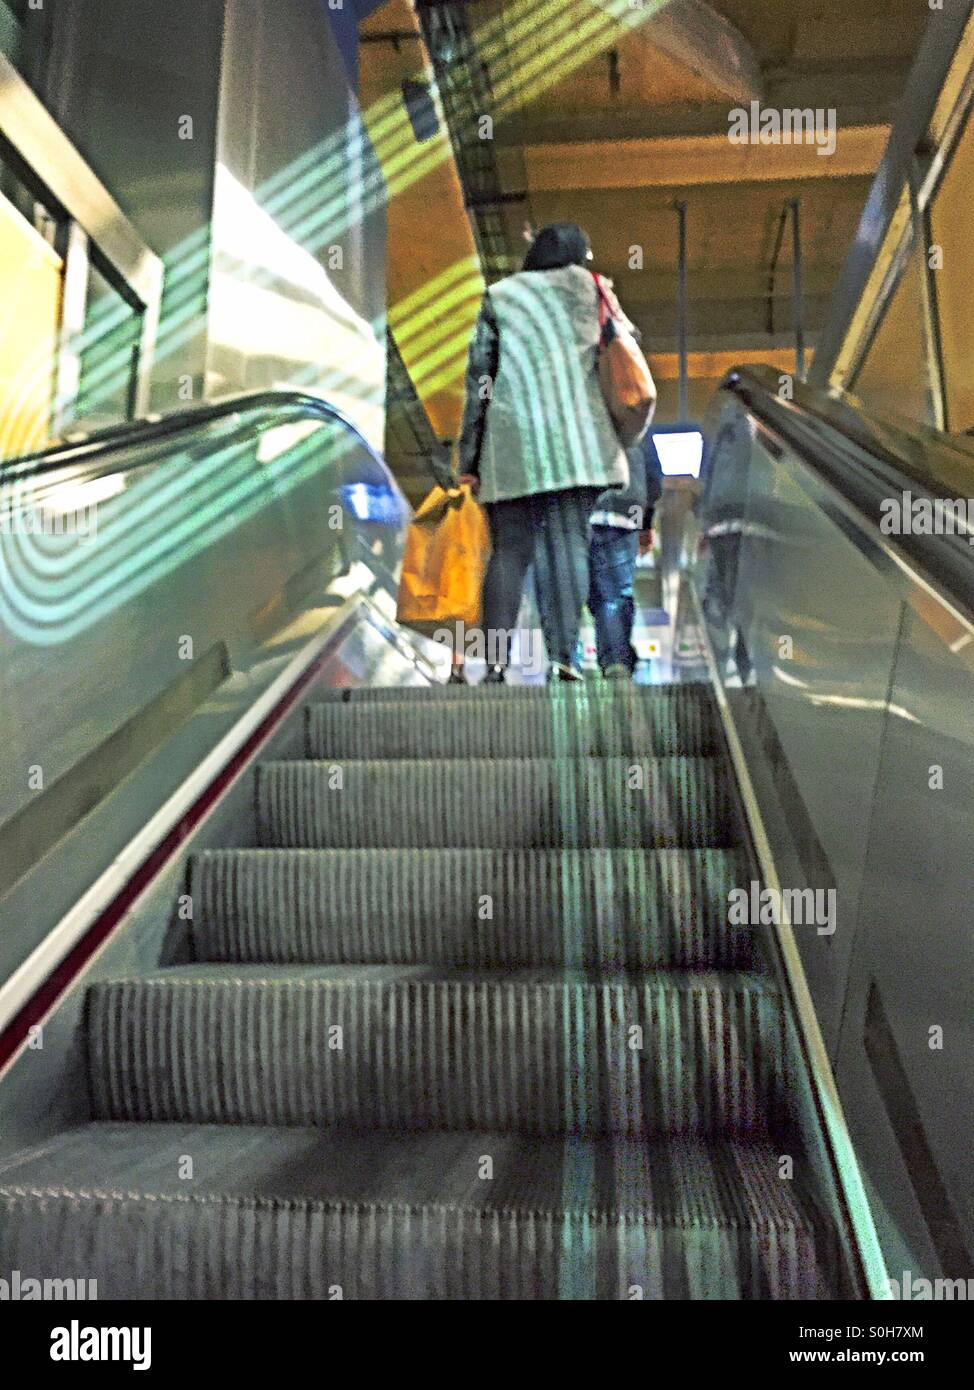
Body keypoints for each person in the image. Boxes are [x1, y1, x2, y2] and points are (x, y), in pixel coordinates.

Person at [457, 222, 651, 683]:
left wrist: (469, 459)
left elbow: (479, 381)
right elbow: (624, 347)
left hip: (511, 444)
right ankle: (564, 660)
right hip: (577, 445)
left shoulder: (499, 297)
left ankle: (496, 664)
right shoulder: (596, 288)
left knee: (508, 553)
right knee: (569, 548)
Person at [586, 431, 663, 679]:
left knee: (600, 596)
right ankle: (617, 661)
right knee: (615, 594)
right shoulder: (633, 409)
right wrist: (646, 523)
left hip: (586, 508)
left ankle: (612, 658)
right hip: (625, 512)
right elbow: (653, 477)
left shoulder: (582, 410)